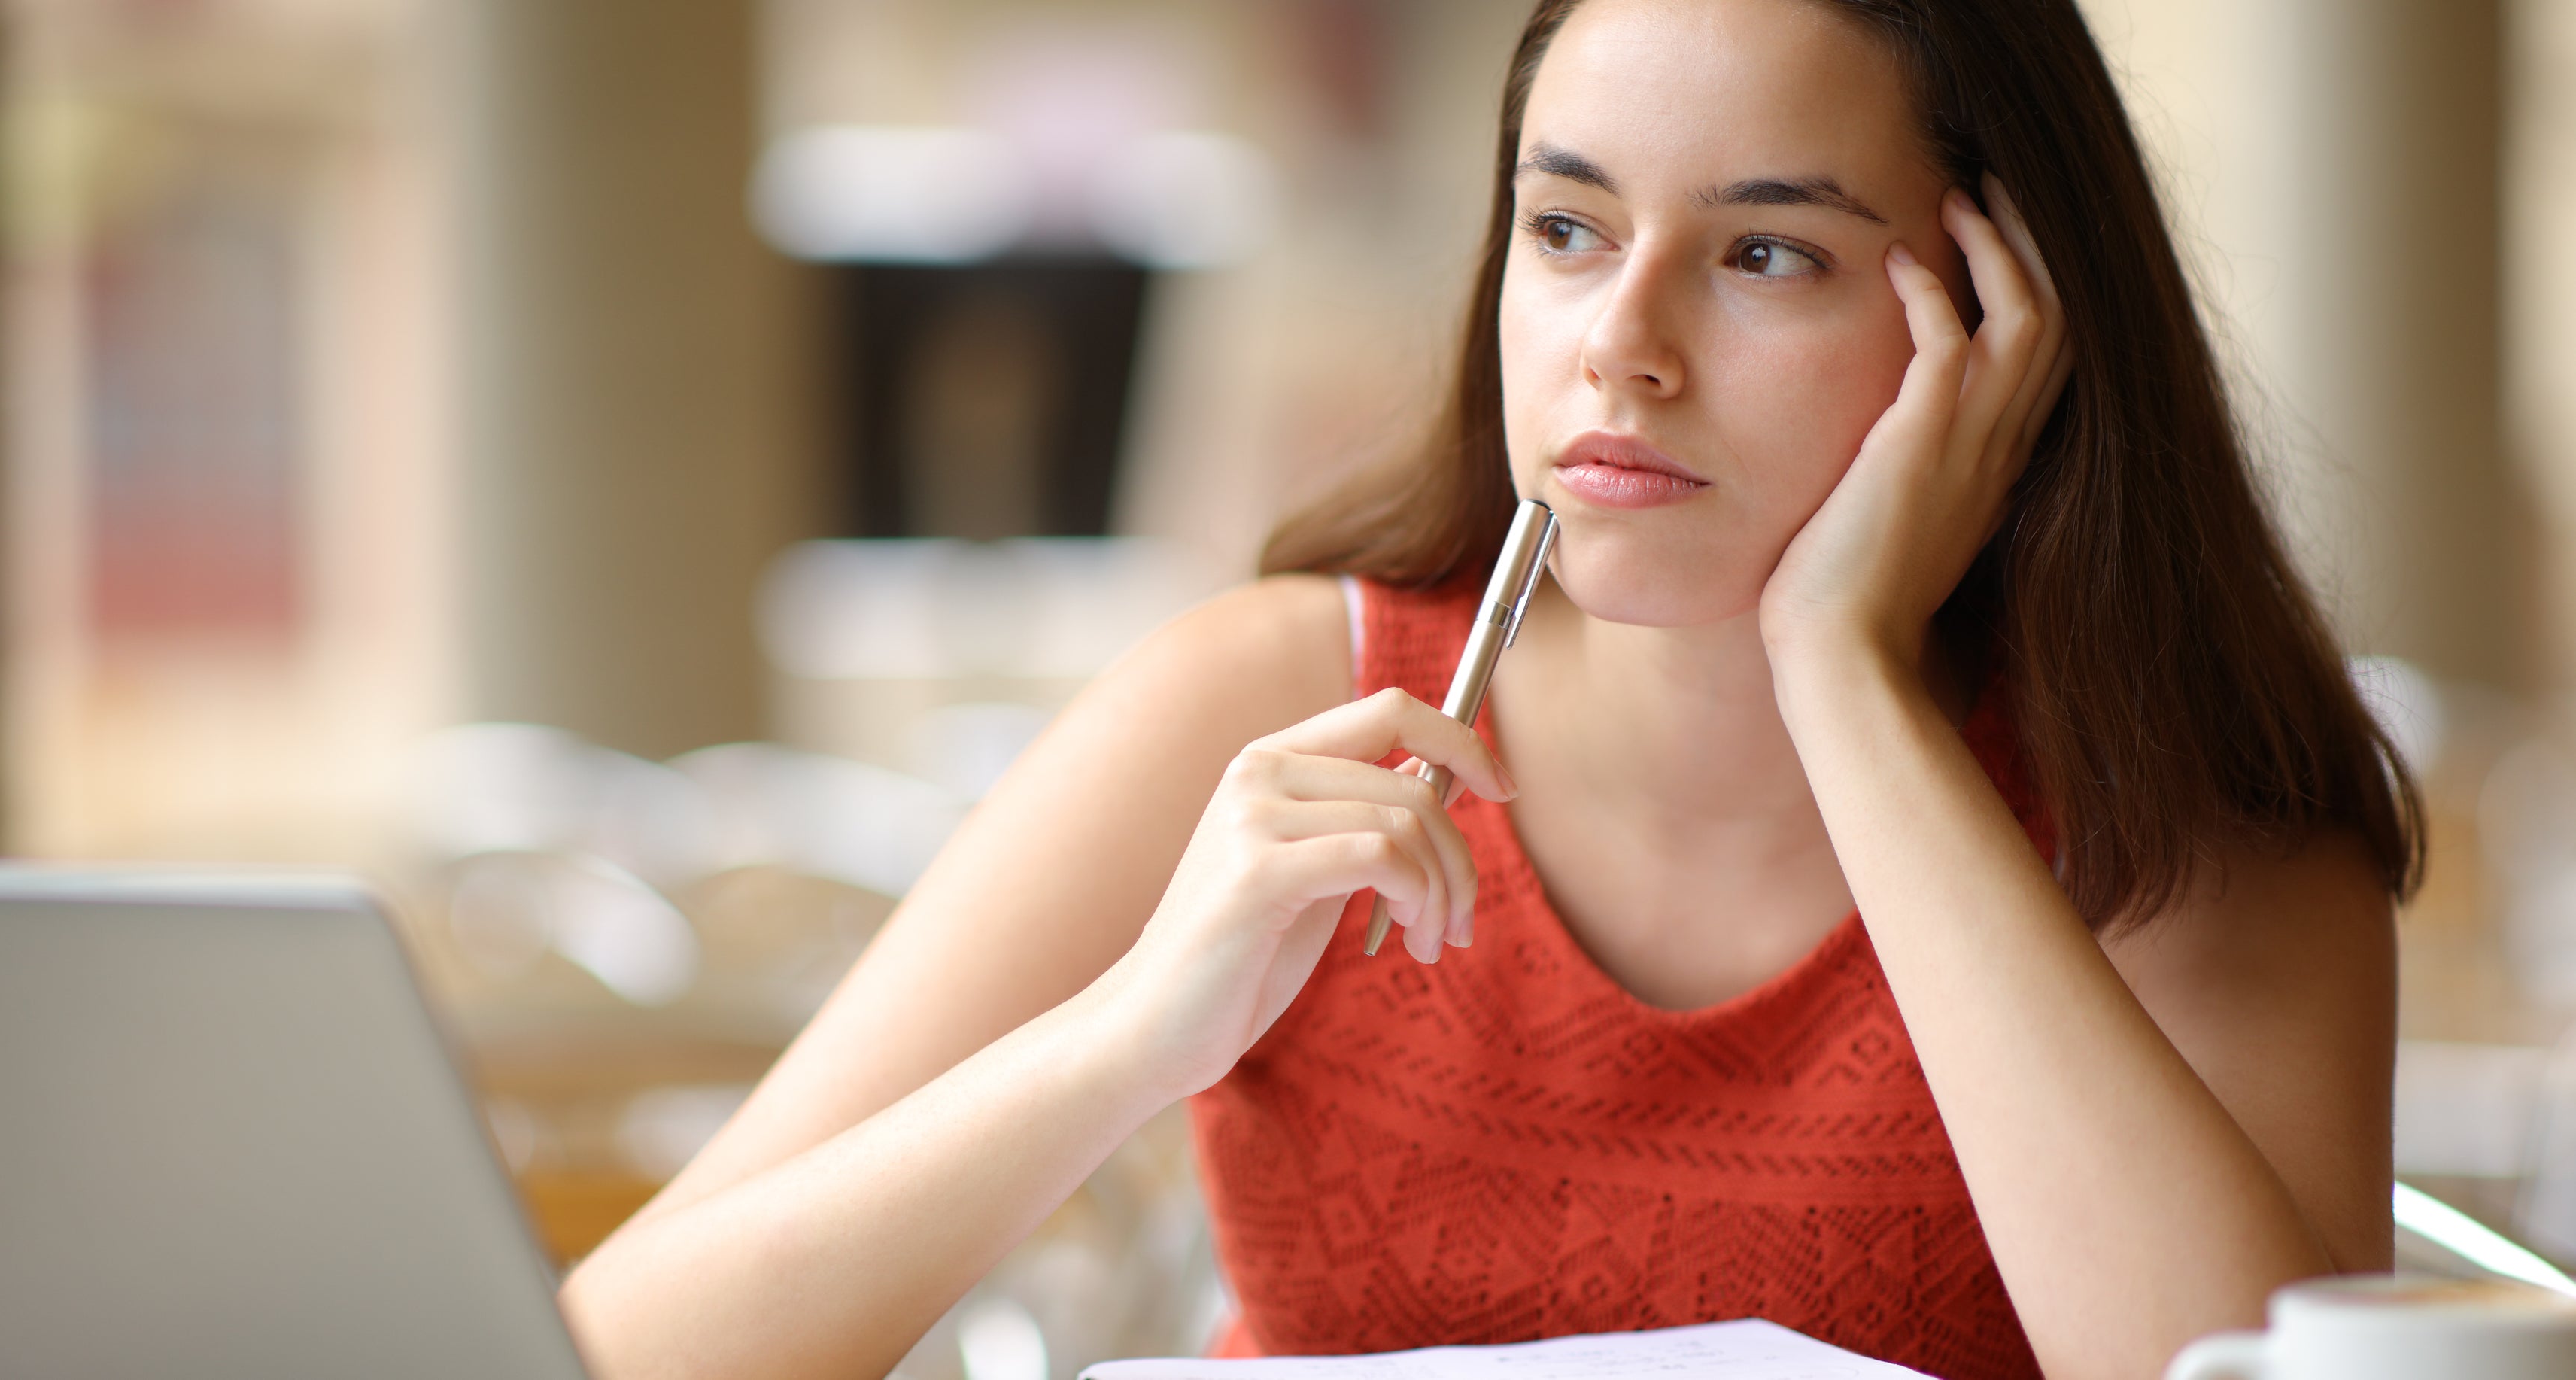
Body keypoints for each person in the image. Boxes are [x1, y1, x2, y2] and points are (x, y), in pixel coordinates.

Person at [557, 1, 2420, 1377]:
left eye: (1766, 251)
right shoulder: (1265, 699)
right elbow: (617, 1352)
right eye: (1568, 228)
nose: (1622, 345)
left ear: (2004, 326)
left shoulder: (2192, 822)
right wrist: (1138, 1032)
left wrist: (1848, 681)